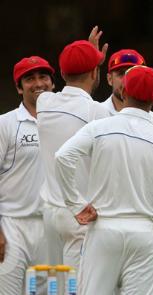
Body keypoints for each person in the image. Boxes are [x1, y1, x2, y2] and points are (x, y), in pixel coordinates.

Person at [54, 65, 153, 294]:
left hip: (104, 229)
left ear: (123, 92)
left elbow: (63, 157)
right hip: (144, 233)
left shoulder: (99, 128)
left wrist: (75, 204)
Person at [37, 27, 110, 270]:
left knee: (52, 283)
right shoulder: (96, 111)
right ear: (94, 72)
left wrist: (87, 54)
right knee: (77, 287)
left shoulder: (44, 102)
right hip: (79, 213)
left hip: (50, 214)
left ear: (61, 72)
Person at [0, 56, 55, 294]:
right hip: (12, 226)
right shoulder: (6, 124)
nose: (38, 83)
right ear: (19, 87)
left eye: (43, 77)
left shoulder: (61, 121)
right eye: (29, 78)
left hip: (49, 227)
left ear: (53, 83)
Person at [103, 49, 146, 114]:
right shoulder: (95, 114)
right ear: (110, 79)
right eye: (121, 73)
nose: (127, 80)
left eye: (133, 73)